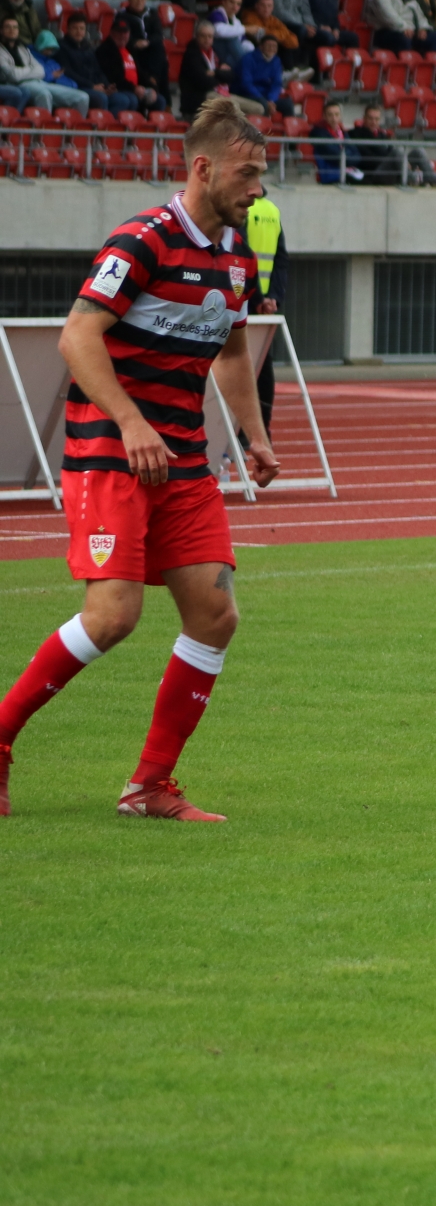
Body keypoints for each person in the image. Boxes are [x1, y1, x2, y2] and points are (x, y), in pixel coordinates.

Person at [0, 97, 281, 823]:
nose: (259, 190)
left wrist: (253, 435)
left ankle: (149, 785)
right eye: (248, 174)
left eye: (263, 175)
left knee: (215, 615)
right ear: (203, 168)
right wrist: (130, 423)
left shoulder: (237, 259)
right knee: (112, 617)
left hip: (184, 461)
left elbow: (232, 354)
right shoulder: (142, 240)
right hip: (110, 455)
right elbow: (77, 337)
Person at [242, 195, 286, 437]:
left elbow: (243, 255)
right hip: (264, 305)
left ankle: (240, 432)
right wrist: (273, 298)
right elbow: (281, 259)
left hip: (243, 302)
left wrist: (258, 298)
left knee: (239, 366)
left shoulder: (240, 207)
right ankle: (263, 430)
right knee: (262, 367)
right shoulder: (272, 210)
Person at [1, 16, 88, 114]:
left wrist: (26, 72)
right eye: (8, 27)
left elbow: (40, 70)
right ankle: (45, 123)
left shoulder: (23, 49)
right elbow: (13, 76)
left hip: (39, 82)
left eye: (15, 27)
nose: (12, 30)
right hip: (19, 84)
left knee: (82, 97)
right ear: (1, 30)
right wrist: (31, 70)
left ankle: (76, 124)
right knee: (44, 94)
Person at [55, 16, 133, 114]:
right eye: (75, 28)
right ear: (68, 29)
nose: (78, 32)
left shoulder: (88, 47)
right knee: (101, 98)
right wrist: (92, 86)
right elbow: (68, 72)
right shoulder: (62, 47)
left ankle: (112, 122)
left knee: (123, 99)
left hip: (95, 86)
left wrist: (106, 86)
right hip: (77, 87)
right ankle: (99, 122)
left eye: (82, 28)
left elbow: (98, 69)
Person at [179, 18, 254, 118]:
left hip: (218, 93)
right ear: (196, 36)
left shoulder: (214, 52)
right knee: (247, 109)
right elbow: (203, 81)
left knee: (258, 108)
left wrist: (215, 73)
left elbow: (231, 76)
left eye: (210, 36)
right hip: (200, 98)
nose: (207, 39)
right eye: (203, 36)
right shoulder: (192, 54)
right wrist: (221, 75)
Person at [96, 16, 165, 114]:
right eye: (119, 32)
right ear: (111, 33)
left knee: (160, 100)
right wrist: (134, 89)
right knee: (131, 99)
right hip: (119, 89)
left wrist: (153, 88)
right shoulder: (105, 50)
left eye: (125, 32)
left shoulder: (130, 49)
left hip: (134, 89)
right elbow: (114, 77)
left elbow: (139, 72)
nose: (122, 36)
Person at [235, 31, 296, 115]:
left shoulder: (276, 60)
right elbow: (246, 83)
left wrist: (271, 100)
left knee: (287, 104)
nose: (271, 48)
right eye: (268, 45)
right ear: (261, 47)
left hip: (266, 96)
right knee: (264, 105)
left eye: (274, 46)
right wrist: (263, 100)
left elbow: (277, 83)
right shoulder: (248, 59)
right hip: (248, 94)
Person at [311, 97, 361, 182]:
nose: (334, 119)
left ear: (340, 116)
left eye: (336, 114)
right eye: (330, 115)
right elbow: (335, 156)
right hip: (331, 174)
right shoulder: (319, 133)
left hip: (347, 170)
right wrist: (348, 156)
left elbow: (357, 155)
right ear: (324, 116)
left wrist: (346, 156)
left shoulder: (342, 132)